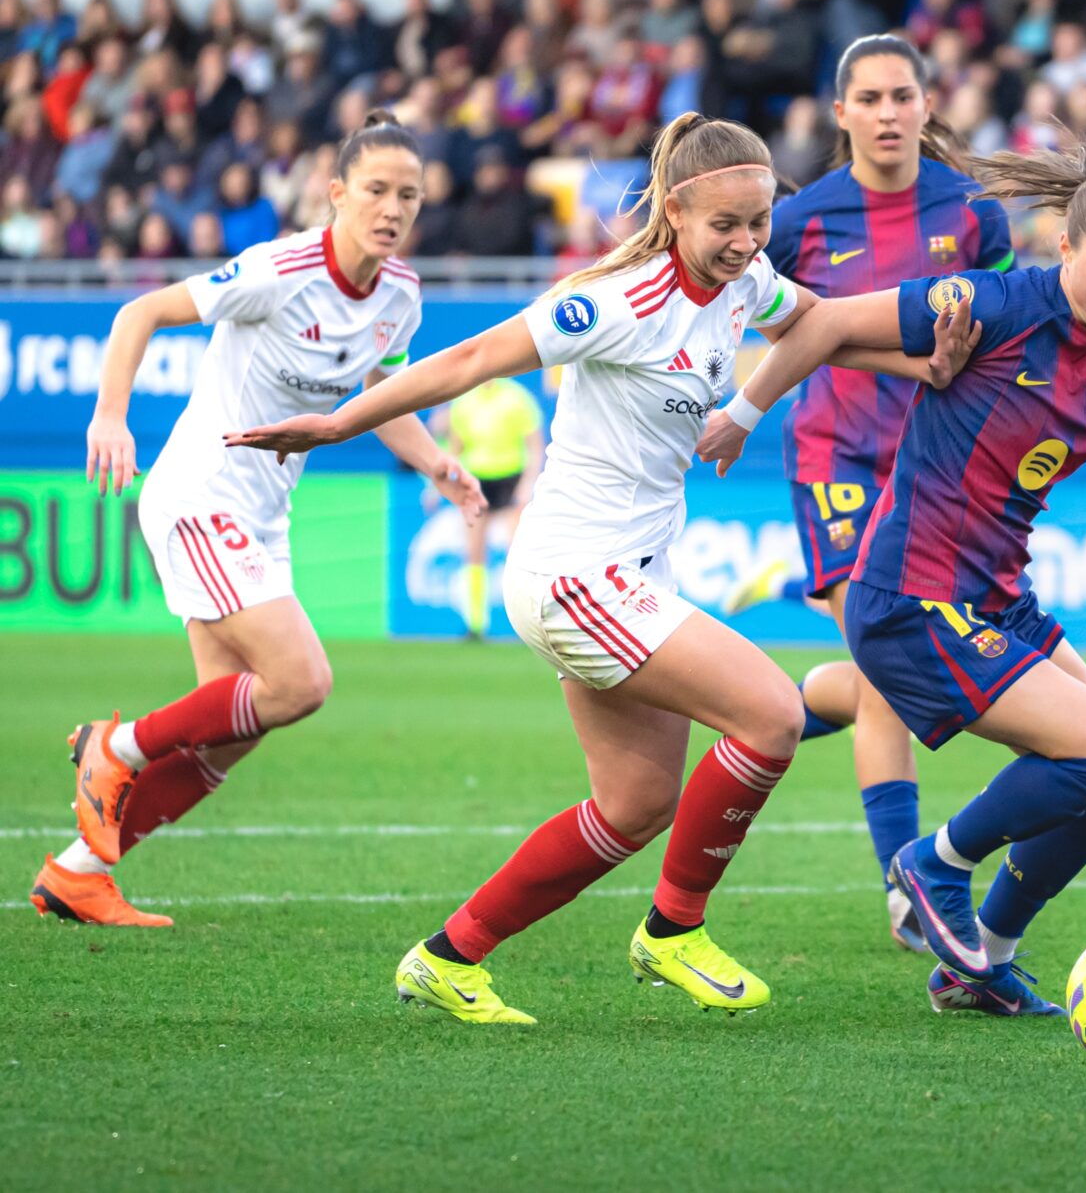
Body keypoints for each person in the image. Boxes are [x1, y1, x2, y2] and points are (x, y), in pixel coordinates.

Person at [227, 112, 970, 1025]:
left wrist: (924, 366)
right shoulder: (618, 300)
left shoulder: (746, 280)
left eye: (758, 222)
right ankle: (674, 928)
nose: (745, 243)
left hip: (630, 578)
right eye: (725, 225)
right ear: (675, 210)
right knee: (773, 714)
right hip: (577, 575)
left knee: (634, 804)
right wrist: (341, 423)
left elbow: (817, 325)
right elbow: (473, 357)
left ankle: (448, 958)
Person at [693, 134, 1086, 1019]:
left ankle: (978, 963)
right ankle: (934, 862)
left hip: (994, 594)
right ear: (1064, 248)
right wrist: (742, 411)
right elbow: (827, 322)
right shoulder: (992, 303)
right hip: (911, 594)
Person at [33, 112, 483, 928]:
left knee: (229, 729)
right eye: (376, 190)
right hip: (202, 495)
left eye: (409, 196)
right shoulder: (281, 268)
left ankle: (78, 872)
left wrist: (438, 465)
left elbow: (381, 397)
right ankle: (114, 746)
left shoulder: (401, 296)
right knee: (302, 682)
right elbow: (140, 312)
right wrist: (110, 416)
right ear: (336, 192)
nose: (392, 209)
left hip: (263, 518)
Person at [726, 33, 1015, 952]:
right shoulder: (800, 221)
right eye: (871, 98)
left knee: (889, 670)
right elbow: (775, 327)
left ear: (928, 106)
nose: (888, 113)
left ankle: (782, 707)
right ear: (840, 111)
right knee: (893, 666)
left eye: (903, 96)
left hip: (935, 468)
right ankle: (906, 886)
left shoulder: (974, 213)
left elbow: (1002, 335)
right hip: (837, 458)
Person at [437, 377, 545, 638]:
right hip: (477, 480)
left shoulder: (517, 397)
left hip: (511, 479)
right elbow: (455, 449)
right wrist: (437, 485)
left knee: (517, 553)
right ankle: (476, 623)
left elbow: (534, 446)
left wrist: (527, 483)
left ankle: (528, 624)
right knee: (474, 552)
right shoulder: (464, 402)